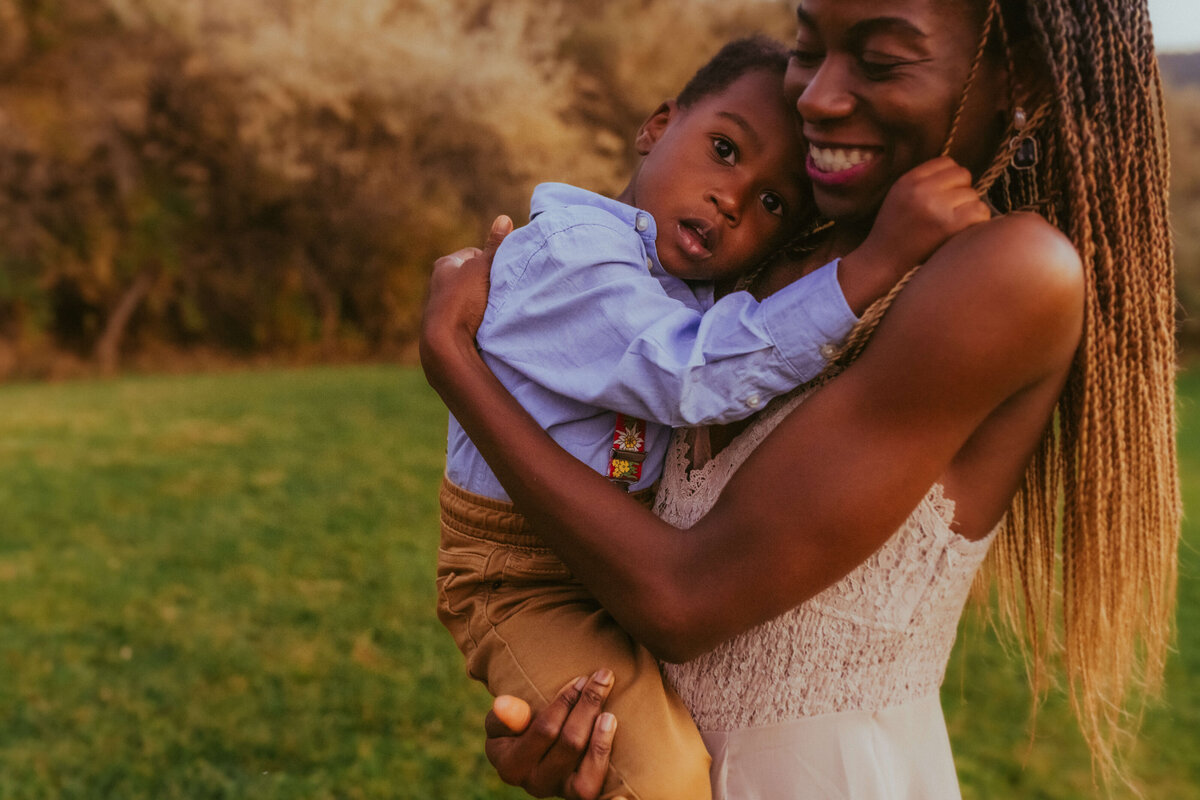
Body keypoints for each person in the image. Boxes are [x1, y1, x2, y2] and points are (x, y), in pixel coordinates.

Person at [421, 0, 1179, 797]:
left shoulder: (1007, 272)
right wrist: (570, 729)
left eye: (880, 60)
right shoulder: (761, 253)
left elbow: (683, 598)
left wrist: (456, 364)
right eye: (807, 46)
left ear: (1018, 78)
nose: (816, 95)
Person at [436, 36, 987, 800]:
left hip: (605, 555)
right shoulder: (573, 255)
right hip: (524, 580)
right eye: (724, 149)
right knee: (656, 777)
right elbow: (692, 375)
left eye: (772, 204)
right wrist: (870, 266)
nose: (733, 198)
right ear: (658, 125)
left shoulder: (693, 286)